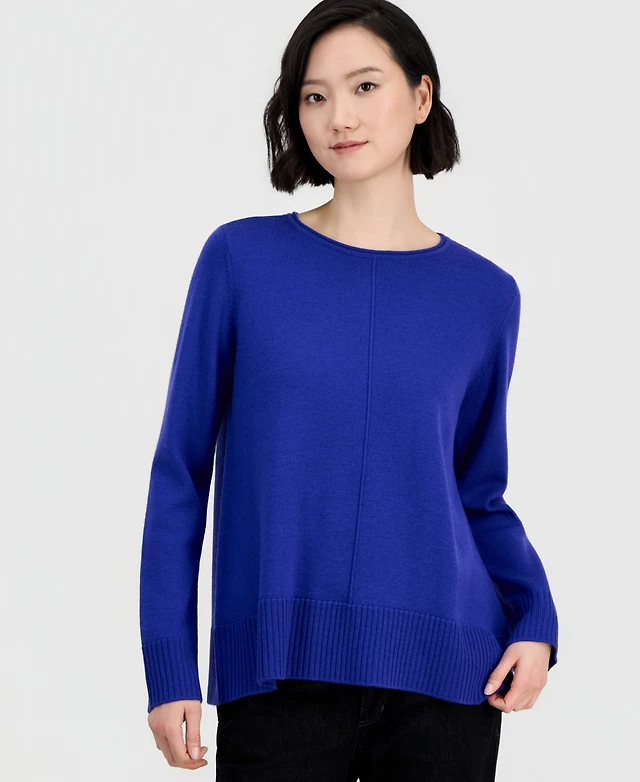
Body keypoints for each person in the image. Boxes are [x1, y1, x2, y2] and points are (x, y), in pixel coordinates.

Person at [139, 1, 559, 779]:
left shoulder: (485, 295)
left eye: (365, 86)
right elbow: (181, 474)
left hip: (449, 681)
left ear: (421, 96)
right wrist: (170, 667)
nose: (340, 117)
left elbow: (477, 490)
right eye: (315, 95)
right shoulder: (240, 261)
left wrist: (535, 615)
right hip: (279, 677)